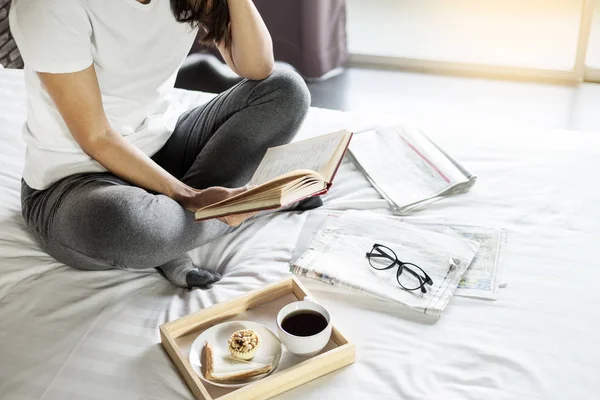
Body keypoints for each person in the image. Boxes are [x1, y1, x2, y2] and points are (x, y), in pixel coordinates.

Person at [10, 0, 317, 288]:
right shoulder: (48, 5)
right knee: (129, 227)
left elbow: (258, 68)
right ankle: (247, 205)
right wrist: (189, 195)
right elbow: (97, 137)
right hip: (73, 184)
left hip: (161, 150)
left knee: (285, 91)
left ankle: (185, 227)